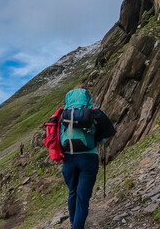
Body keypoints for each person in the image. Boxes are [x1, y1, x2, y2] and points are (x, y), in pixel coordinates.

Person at [60, 85, 115, 229]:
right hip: (89, 158)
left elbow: (60, 137)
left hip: (69, 158)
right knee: (83, 197)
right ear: (86, 95)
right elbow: (104, 135)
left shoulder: (65, 113)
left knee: (72, 191)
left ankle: (72, 221)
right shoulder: (92, 111)